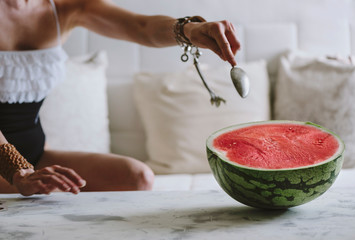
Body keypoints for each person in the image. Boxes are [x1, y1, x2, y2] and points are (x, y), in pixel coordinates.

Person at [0, 0, 241, 196]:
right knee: (32, 198)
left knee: (137, 177)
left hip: (37, 156)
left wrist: (190, 30)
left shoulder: (62, 7)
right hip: (11, 167)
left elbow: (141, 27)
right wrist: (18, 171)